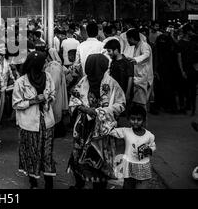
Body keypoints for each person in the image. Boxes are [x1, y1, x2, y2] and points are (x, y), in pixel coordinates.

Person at [68, 54, 126, 189]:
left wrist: (104, 111)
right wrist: (85, 109)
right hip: (84, 127)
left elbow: (121, 104)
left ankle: (99, 186)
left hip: (102, 129)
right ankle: (79, 183)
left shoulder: (111, 83)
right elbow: (74, 99)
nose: (92, 76)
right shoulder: (83, 81)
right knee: (78, 155)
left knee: (99, 157)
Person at [13, 51, 56, 189]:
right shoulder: (21, 82)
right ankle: (33, 182)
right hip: (29, 124)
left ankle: (49, 183)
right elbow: (16, 104)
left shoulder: (48, 77)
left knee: (47, 153)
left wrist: (48, 99)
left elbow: (53, 94)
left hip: (47, 122)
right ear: (36, 65)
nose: (46, 65)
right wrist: (32, 101)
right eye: (43, 63)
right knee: (32, 153)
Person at [109, 105, 156, 189]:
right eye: (133, 119)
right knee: (127, 186)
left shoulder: (149, 135)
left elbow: (153, 146)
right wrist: (112, 123)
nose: (135, 121)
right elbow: (112, 131)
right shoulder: (125, 131)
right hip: (129, 165)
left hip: (143, 166)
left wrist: (150, 150)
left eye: (139, 119)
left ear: (144, 120)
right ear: (128, 119)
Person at [125, 29, 153, 112]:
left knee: (142, 105)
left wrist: (135, 59)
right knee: (137, 105)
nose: (127, 41)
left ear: (132, 38)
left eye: (128, 39)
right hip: (138, 79)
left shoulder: (144, 45)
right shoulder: (136, 46)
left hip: (143, 79)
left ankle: (143, 124)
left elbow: (146, 54)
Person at [45, 48, 69, 137]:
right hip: (59, 92)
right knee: (57, 111)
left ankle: (56, 132)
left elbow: (53, 82)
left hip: (54, 92)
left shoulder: (53, 66)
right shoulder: (58, 65)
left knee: (54, 111)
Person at [177, 24, 198, 115]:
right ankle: (183, 107)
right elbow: (179, 58)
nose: (192, 33)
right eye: (190, 31)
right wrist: (182, 71)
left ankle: (192, 108)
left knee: (193, 90)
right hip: (184, 69)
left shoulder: (194, 42)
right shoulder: (180, 43)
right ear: (186, 32)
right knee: (182, 90)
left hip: (193, 70)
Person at [104, 39, 134, 103]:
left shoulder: (127, 62)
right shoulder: (113, 62)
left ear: (116, 50)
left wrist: (127, 94)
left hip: (123, 92)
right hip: (115, 92)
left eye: (109, 51)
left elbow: (130, 78)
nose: (108, 53)